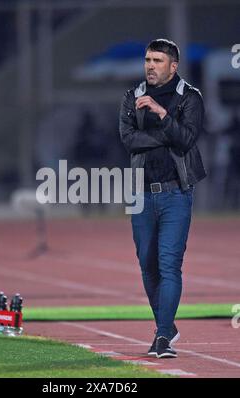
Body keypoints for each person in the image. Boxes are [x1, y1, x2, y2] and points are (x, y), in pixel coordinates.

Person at [119, 39, 206, 358]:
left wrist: (160, 113)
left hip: (176, 193)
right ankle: (167, 327)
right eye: (147, 59)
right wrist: (165, 134)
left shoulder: (190, 98)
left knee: (169, 264)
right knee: (147, 264)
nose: (150, 65)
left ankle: (162, 338)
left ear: (173, 65)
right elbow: (128, 141)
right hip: (140, 194)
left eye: (157, 60)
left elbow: (186, 140)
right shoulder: (132, 96)